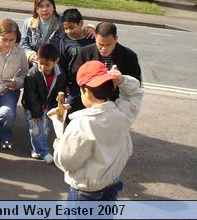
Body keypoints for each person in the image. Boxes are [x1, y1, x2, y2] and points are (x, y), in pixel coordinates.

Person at [53, 61, 144, 201]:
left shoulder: (81, 125)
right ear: (112, 87)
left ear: (86, 92)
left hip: (86, 191)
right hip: (112, 182)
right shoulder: (122, 113)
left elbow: (66, 161)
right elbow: (134, 94)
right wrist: (123, 80)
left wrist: (59, 145)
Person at [0, 18, 28, 150]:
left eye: (12, 40)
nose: (8, 44)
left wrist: (17, 82)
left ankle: (6, 136)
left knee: (7, 113)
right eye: (5, 39)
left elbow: (25, 73)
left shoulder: (20, 52)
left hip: (9, 90)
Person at [21, 43, 66, 164]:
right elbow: (31, 96)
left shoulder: (60, 74)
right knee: (36, 129)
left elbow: (59, 92)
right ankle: (44, 152)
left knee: (45, 129)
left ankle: (35, 149)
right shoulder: (32, 74)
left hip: (48, 106)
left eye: (47, 64)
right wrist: (36, 114)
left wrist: (54, 109)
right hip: (33, 107)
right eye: (41, 63)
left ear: (56, 61)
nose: (43, 67)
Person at [73, 21, 141, 100]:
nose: (104, 49)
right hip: (90, 99)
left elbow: (136, 84)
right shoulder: (85, 52)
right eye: (100, 44)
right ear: (95, 38)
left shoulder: (129, 56)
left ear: (116, 39)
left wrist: (121, 80)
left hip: (117, 101)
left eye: (108, 45)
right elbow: (75, 75)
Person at [58, 8, 95, 112]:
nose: (69, 31)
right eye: (66, 28)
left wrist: (93, 28)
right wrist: (64, 85)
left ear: (81, 23)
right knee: (68, 110)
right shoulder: (64, 41)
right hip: (73, 85)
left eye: (72, 27)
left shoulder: (91, 38)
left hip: (90, 85)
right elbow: (62, 65)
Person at [20, 0, 65, 66]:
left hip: (55, 66)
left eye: (48, 5)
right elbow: (23, 43)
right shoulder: (28, 23)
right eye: (41, 6)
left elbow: (76, 30)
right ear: (36, 9)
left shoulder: (63, 22)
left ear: (53, 7)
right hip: (34, 67)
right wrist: (30, 54)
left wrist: (90, 28)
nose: (44, 9)